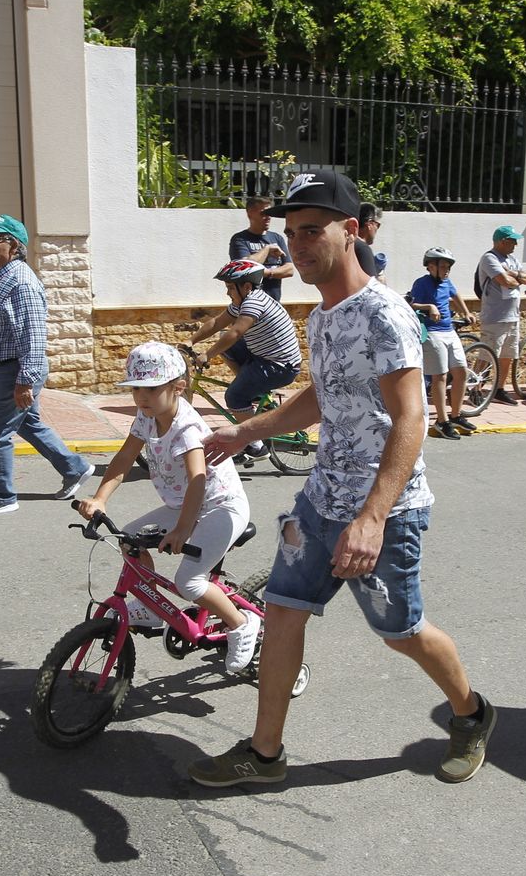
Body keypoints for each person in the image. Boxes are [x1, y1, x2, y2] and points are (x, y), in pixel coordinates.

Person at [187, 170, 495, 789]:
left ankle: (470, 714)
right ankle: (264, 752)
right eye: (290, 233)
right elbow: (323, 398)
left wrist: (374, 517)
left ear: (349, 231)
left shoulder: (384, 314)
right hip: (320, 501)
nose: (297, 246)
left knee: (400, 632)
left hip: (383, 511)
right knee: (281, 613)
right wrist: (248, 432)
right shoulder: (324, 316)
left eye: (311, 231)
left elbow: (413, 417)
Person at [75, 341, 261, 674]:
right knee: (129, 538)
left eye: (150, 388)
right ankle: (147, 603)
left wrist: (182, 530)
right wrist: (100, 498)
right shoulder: (146, 418)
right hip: (185, 505)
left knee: (190, 581)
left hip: (221, 506)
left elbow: (198, 480)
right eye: (136, 389)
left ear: (178, 386)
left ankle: (240, 623)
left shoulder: (186, 427)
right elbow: (124, 458)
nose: (141, 397)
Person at [0, 213, 93, 516]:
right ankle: (74, 467)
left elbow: (33, 337)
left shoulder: (21, 283)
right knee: (28, 424)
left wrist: (26, 380)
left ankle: (2, 497)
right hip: (5, 370)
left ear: (14, 245)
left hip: (13, 371)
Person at [183, 259, 302, 459]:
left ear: (246, 286)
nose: (227, 292)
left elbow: (236, 332)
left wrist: (207, 355)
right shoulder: (241, 302)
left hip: (280, 366)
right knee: (225, 343)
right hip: (264, 356)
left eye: (230, 287)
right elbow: (216, 323)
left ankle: (257, 447)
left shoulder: (254, 302)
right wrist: (190, 340)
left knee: (234, 397)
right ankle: (253, 393)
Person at [408, 247, 476, 440]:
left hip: (449, 331)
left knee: (461, 372)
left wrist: (466, 313)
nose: (446, 270)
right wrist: (429, 307)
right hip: (432, 332)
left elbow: (455, 295)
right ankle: (441, 422)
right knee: (440, 377)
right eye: (443, 266)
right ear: (431, 266)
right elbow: (411, 304)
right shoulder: (421, 283)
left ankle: (455, 416)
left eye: (448, 267)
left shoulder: (447, 282)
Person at [474, 225, 526, 405]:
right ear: (501, 241)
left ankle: (499, 389)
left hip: (513, 316)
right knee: (487, 354)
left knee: (507, 354)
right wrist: (516, 278)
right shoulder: (489, 258)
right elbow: (504, 281)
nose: (515, 244)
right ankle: (474, 388)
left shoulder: (512, 260)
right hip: (495, 316)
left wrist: (516, 275)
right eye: (512, 240)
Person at [227, 197, 293, 303]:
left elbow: (289, 270)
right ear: (249, 214)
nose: (268, 217)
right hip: (249, 304)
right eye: (263, 213)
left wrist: (267, 273)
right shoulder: (239, 239)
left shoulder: (277, 238)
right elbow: (245, 268)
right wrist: (267, 249)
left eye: (269, 213)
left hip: (273, 303)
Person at [357, 202, 388, 280]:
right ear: (370, 224)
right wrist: (380, 277)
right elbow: (371, 288)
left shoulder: (347, 244)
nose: (377, 229)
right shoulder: (362, 248)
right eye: (377, 225)